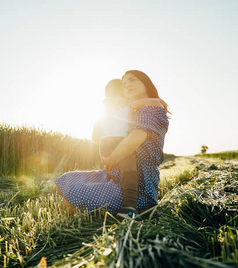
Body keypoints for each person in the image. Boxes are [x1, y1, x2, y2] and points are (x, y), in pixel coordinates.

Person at [55, 70, 169, 219]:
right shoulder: (128, 111)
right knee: (65, 180)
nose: (127, 85)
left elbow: (133, 140)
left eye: (132, 80)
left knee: (74, 190)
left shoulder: (153, 105)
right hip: (115, 175)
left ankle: (129, 209)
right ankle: (78, 221)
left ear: (145, 83)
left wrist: (110, 160)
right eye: (124, 84)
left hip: (138, 183)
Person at [91, 79, 140, 216]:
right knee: (129, 172)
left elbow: (94, 137)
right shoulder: (129, 104)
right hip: (122, 141)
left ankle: (106, 200)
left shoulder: (104, 108)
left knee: (112, 173)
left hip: (104, 142)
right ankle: (129, 206)